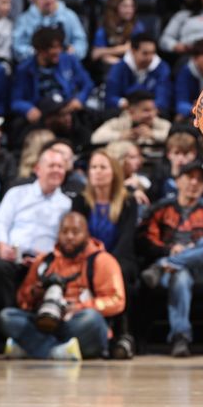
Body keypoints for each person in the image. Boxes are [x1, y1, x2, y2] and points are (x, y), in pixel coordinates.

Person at [0, 212, 126, 361]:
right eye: (64, 232)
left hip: (77, 323)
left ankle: (34, 348)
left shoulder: (102, 260)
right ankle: (57, 351)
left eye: (75, 232)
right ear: (58, 233)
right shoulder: (44, 261)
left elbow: (117, 300)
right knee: (7, 317)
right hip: (46, 322)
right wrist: (36, 294)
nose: (69, 236)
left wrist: (79, 307)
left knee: (92, 319)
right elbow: (22, 300)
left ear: (87, 234)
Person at [137, 160, 203, 357]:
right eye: (189, 178)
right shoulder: (161, 208)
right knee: (181, 276)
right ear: (177, 181)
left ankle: (167, 265)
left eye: (200, 180)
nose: (194, 183)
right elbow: (146, 241)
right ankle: (180, 338)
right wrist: (169, 250)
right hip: (172, 271)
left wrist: (188, 251)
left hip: (202, 269)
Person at [0, 148, 72, 349]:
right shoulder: (17, 194)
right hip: (14, 257)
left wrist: (46, 259)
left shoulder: (67, 204)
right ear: (37, 169)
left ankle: (29, 334)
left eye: (61, 166)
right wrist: (2, 246)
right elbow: (0, 223)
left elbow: (67, 240)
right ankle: (10, 328)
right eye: (52, 165)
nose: (57, 171)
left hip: (48, 263)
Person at [71, 150, 138, 359]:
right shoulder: (80, 202)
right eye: (93, 167)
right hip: (87, 258)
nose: (97, 172)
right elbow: (79, 237)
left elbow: (127, 238)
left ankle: (122, 335)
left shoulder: (128, 201)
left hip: (119, 256)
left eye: (103, 167)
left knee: (120, 273)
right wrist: (95, 262)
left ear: (114, 172)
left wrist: (108, 264)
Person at [10, 27, 93, 125]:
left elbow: (87, 84)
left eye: (59, 47)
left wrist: (79, 99)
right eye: (53, 48)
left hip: (68, 108)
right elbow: (16, 101)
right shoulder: (24, 70)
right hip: (42, 114)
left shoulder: (70, 60)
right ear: (40, 50)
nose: (58, 51)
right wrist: (28, 109)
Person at [12, 0, 88, 61]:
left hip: (64, 61)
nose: (50, 0)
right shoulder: (24, 19)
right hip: (36, 64)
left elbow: (80, 41)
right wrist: (35, 53)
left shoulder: (69, 16)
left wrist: (74, 51)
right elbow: (18, 46)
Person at [104, 32, 172, 113]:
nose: (150, 58)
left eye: (152, 53)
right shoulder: (119, 67)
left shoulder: (162, 68)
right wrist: (124, 103)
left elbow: (162, 99)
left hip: (152, 114)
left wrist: (146, 109)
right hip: (124, 113)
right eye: (145, 53)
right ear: (133, 51)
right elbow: (110, 97)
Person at [92, 89, 171, 152]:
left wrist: (153, 134)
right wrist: (121, 136)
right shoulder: (118, 123)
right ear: (131, 111)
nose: (152, 114)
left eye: (153, 110)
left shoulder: (160, 123)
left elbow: (175, 137)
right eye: (146, 110)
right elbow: (96, 138)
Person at [91, 0, 144, 69]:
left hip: (132, 66)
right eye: (125, 6)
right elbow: (95, 55)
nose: (130, 10)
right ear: (115, 7)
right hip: (109, 66)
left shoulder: (137, 26)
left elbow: (133, 48)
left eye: (132, 6)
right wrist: (120, 54)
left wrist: (103, 51)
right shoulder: (104, 26)